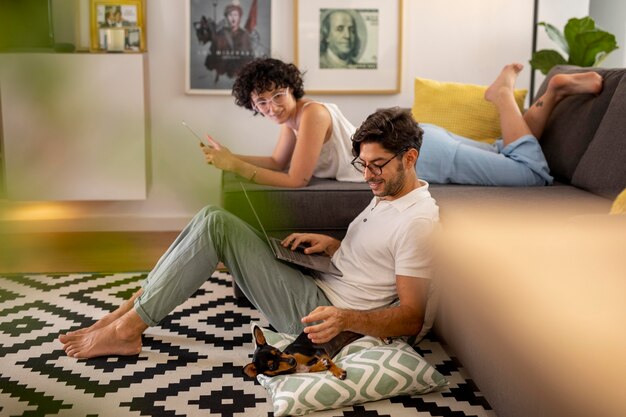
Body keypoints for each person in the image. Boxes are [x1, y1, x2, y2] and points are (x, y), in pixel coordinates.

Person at [59, 107, 438, 358]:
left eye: (377, 166)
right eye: (363, 164)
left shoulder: (417, 222)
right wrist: (336, 246)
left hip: (319, 313)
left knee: (215, 224)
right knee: (210, 217)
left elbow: (410, 317)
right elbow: (379, 259)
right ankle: (125, 313)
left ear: (410, 158)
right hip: (323, 279)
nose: (367, 175)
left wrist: (344, 319)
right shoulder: (389, 193)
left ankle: (127, 328)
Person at [202, 59, 603, 187]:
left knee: (533, 176)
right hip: (422, 144)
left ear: (292, 89)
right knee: (508, 151)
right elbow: (277, 163)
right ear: (253, 105)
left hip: (424, 157)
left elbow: (296, 180)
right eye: (262, 102)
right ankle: (557, 92)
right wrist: (229, 155)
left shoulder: (312, 114)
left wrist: (237, 169)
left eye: (277, 96)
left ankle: (501, 95)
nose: (271, 106)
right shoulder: (293, 120)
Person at [204, 2, 254, 81]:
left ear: (239, 17)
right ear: (226, 17)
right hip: (222, 74)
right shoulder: (220, 33)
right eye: (230, 15)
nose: (233, 18)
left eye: (235, 15)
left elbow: (250, 57)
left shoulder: (245, 35)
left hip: (240, 76)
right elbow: (212, 55)